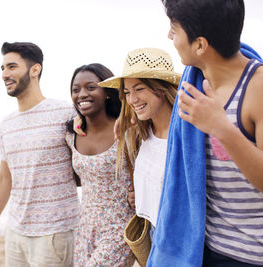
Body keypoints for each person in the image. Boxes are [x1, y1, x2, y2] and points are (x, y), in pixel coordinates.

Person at [148, 1, 263, 266]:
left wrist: (221, 127)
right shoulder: (194, 82)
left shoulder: (256, 86)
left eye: (174, 29)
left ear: (199, 45)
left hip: (250, 256)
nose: (170, 36)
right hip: (203, 250)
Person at [0, 42, 80, 267]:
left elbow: (89, 161)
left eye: (12, 66)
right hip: (16, 232)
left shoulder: (65, 112)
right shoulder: (7, 124)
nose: (5, 74)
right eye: (3, 68)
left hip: (55, 233)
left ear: (35, 69)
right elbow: (5, 178)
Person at [98, 48, 180, 239]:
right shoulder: (142, 133)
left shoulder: (186, 135)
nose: (132, 99)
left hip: (177, 240)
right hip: (152, 235)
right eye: (127, 92)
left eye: (139, 89)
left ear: (162, 87)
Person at [66, 63, 134, 266]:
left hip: (119, 228)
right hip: (85, 227)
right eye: (75, 90)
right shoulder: (71, 136)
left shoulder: (128, 131)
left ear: (106, 92)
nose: (82, 94)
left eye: (91, 87)